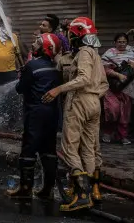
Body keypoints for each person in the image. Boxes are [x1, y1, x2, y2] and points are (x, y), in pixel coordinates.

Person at [43, 17, 106, 212]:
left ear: (77, 34)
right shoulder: (94, 54)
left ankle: (82, 194)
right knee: (88, 148)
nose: (68, 37)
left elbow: (84, 79)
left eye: (70, 33)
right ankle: (88, 193)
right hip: (94, 102)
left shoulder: (85, 53)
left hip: (79, 100)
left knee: (70, 147)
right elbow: (102, 82)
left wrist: (58, 90)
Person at [8, 33, 63, 200]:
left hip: (35, 112)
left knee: (29, 148)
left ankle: (25, 188)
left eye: (37, 43)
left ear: (45, 48)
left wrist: (22, 76)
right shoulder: (55, 67)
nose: (33, 45)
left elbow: (20, 88)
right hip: (52, 114)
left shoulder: (32, 65)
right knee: (48, 149)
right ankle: (48, 189)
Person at [101, 32, 134, 144]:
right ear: (115, 43)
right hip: (112, 87)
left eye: (124, 42)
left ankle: (123, 136)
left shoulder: (132, 54)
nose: (122, 44)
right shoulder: (109, 53)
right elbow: (104, 69)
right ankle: (107, 132)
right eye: (119, 42)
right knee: (112, 110)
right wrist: (117, 75)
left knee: (125, 113)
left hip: (127, 88)